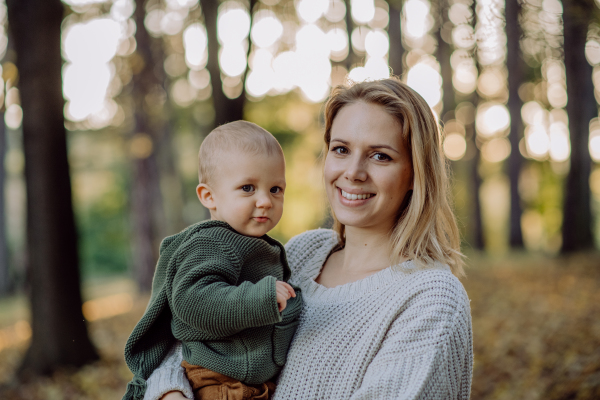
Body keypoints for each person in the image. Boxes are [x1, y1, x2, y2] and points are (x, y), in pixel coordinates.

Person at [144, 77, 473, 400]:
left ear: (416, 173)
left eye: (380, 156)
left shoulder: (431, 300)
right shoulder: (302, 253)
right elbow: (195, 337)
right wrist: (170, 391)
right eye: (341, 149)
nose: (354, 172)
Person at [122, 121, 303, 400]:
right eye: (247, 188)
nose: (266, 200)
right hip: (220, 382)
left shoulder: (257, 245)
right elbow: (193, 302)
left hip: (252, 381)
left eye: (276, 189)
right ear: (209, 196)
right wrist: (261, 297)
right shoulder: (211, 242)